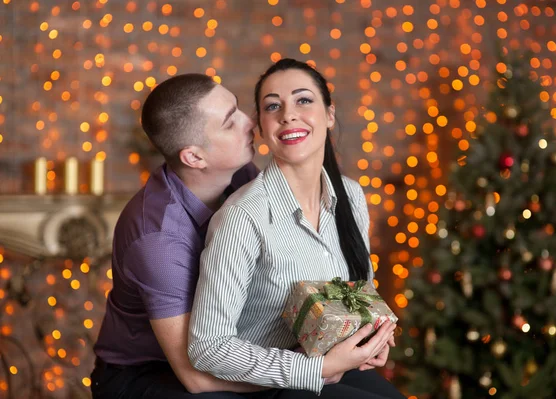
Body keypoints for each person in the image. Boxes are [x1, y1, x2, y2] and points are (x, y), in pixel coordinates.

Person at [188, 59, 406, 399]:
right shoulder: (243, 216)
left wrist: (370, 336)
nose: (288, 114)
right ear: (261, 126)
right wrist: (315, 370)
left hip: (336, 372)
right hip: (268, 386)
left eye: (303, 100)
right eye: (273, 106)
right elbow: (207, 346)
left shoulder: (350, 195)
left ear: (330, 115)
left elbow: (360, 292)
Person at [91, 73, 262, 398]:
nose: (249, 122)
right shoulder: (157, 240)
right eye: (230, 122)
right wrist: (311, 372)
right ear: (194, 157)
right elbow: (197, 378)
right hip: (146, 375)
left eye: (238, 109)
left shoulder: (240, 174)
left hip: (228, 352)